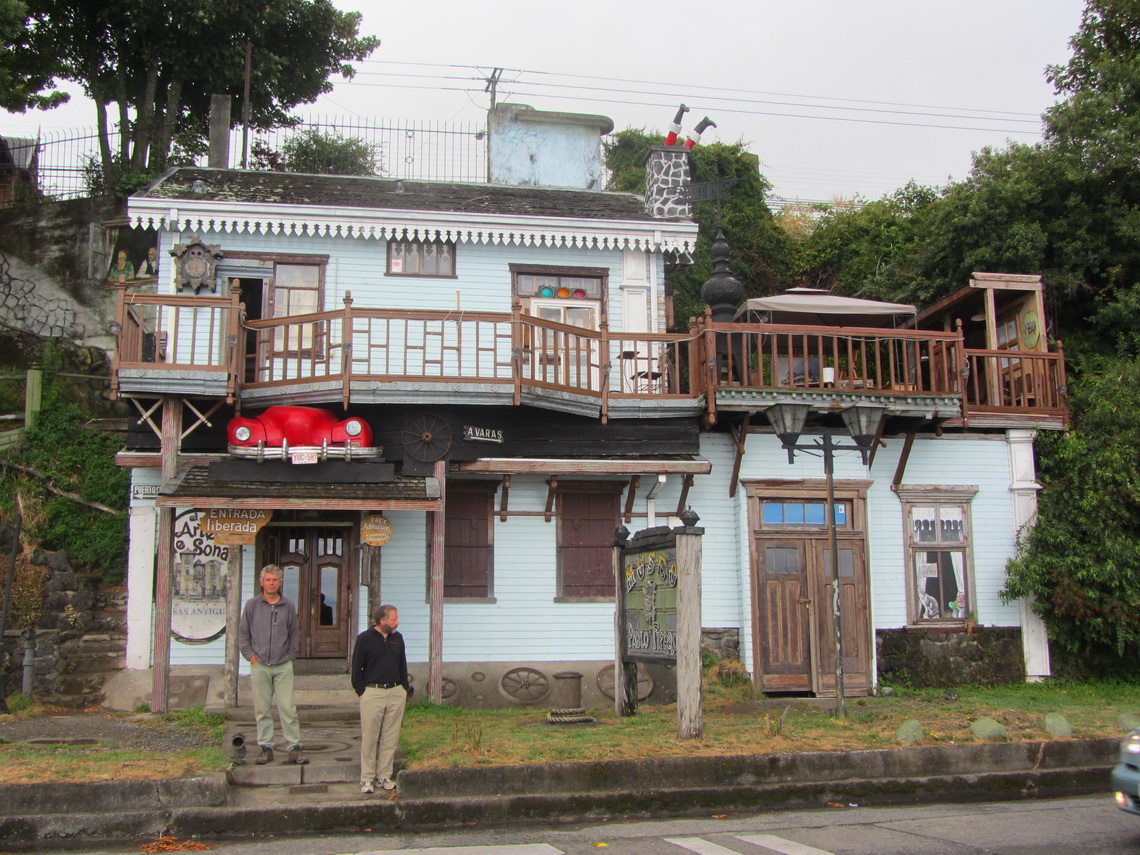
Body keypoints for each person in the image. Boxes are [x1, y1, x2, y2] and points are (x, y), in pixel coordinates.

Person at [238, 564, 308, 765]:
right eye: (268, 580)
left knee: (288, 708)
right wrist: (250, 656)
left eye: (275, 580)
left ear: (280, 583)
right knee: (262, 709)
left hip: (283, 665)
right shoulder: (252, 605)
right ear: (262, 582)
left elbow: (294, 633)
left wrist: (290, 655)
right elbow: (243, 634)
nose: (271, 583)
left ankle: (294, 747)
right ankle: (266, 747)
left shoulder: (288, 605)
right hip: (259, 664)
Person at [351, 604, 411, 794]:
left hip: (395, 692)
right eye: (393, 619)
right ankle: (366, 778)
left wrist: (404, 688)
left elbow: (402, 664)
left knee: (390, 737)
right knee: (370, 737)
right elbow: (356, 668)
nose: (397, 622)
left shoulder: (397, 638)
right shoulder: (364, 639)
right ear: (382, 620)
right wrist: (361, 691)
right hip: (372, 693)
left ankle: (384, 775)